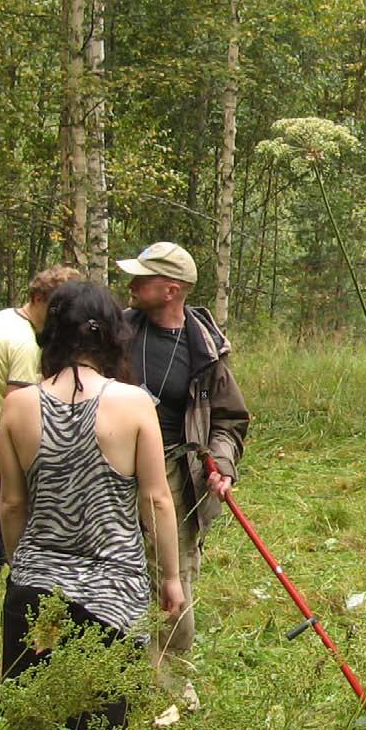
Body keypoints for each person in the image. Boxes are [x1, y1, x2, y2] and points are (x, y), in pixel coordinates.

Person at [0, 281, 183, 730]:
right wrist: (171, 577)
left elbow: (13, 505)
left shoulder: (16, 406)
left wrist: (23, 570)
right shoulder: (135, 404)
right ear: (112, 336)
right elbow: (158, 500)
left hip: (36, 590)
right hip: (113, 595)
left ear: (52, 333)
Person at [115, 242, 250, 671]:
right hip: (113, 469)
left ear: (171, 289)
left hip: (175, 473)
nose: (132, 284)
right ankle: (111, 671)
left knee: (171, 574)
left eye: (143, 277)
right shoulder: (115, 334)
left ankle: (170, 679)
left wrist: (222, 466)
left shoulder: (206, 352)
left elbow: (229, 420)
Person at [0, 264, 80, 631]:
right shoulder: (25, 345)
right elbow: (21, 410)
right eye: (55, 309)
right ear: (39, 298)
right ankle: (26, 620)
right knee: (17, 539)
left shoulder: (1, 320)